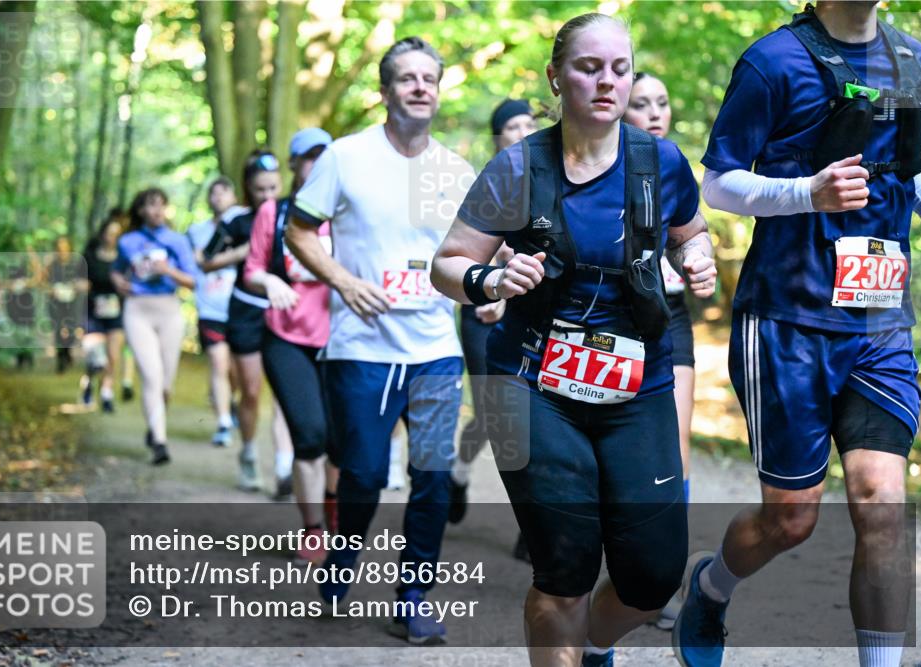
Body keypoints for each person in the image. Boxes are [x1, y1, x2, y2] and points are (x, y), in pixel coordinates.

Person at [431, 13, 717, 667]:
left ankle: (591, 645)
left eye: (620, 68)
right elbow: (445, 264)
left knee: (653, 573)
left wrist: (700, 258)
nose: (607, 81)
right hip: (532, 381)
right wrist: (493, 276)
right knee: (564, 565)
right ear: (556, 77)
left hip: (637, 380)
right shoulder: (518, 166)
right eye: (589, 67)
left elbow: (692, 231)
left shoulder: (659, 160)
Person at [673, 3, 921, 667]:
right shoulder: (773, 62)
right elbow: (720, 183)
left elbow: (911, 161)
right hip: (787, 320)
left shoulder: (915, 60)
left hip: (878, 322)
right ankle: (711, 586)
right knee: (790, 518)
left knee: (882, 506)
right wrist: (807, 194)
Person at [287, 36, 473, 645]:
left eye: (430, 78)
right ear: (385, 91)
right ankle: (342, 563)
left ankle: (413, 596)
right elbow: (298, 229)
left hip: (433, 350)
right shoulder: (346, 156)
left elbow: (475, 254)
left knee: (434, 475)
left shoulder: (456, 170)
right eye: (407, 78)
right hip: (362, 347)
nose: (420, 87)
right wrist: (341, 280)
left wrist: (486, 294)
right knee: (363, 474)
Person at [447, 98, 538, 564]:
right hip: (484, 308)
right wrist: (492, 291)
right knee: (495, 414)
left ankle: (534, 525)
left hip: (534, 314)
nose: (523, 131)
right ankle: (460, 470)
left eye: (529, 123)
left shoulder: (555, 174)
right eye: (511, 126)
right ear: (497, 138)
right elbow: (460, 254)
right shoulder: (486, 182)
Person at [623, 71, 699, 630]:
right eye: (641, 103)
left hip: (670, 316)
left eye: (662, 101)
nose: (655, 112)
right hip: (609, 319)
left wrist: (699, 263)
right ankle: (613, 567)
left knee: (675, 446)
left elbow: (690, 239)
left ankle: (663, 580)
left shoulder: (673, 166)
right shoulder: (594, 165)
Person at [244, 127, 334, 565]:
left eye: (324, 156)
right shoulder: (275, 213)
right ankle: (313, 528)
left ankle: (336, 516)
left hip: (343, 341)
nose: (315, 165)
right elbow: (252, 270)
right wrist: (271, 280)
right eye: (307, 157)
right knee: (310, 434)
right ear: (294, 164)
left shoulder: (350, 211)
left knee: (342, 440)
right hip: (285, 336)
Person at [202, 152, 294, 493]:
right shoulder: (237, 222)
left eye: (273, 188)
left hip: (284, 311)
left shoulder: (293, 215)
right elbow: (205, 261)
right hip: (245, 311)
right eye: (260, 190)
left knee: (287, 392)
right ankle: (250, 454)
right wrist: (243, 253)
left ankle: (285, 467)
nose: (268, 196)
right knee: (252, 393)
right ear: (248, 190)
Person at [111, 188, 198, 465]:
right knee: (151, 375)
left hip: (169, 311)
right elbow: (116, 269)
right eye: (151, 205)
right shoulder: (128, 241)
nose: (158, 210)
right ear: (141, 211)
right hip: (138, 310)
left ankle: (154, 423)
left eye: (162, 205)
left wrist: (167, 270)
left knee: (166, 384)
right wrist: (118, 282)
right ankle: (160, 442)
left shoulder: (177, 240)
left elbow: (194, 281)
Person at [187, 177, 245, 446]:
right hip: (209, 309)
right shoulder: (197, 231)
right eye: (214, 193)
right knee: (219, 364)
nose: (219, 197)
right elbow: (194, 263)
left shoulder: (247, 222)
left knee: (236, 370)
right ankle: (223, 422)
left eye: (224, 192)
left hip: (240, 308)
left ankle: (230, 403)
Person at [81, 210, 128, 412]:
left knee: (113, 356)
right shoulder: (90, 256)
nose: (113, 238)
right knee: (96, 358)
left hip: (117, 313)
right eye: (110, 233)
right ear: (103, 234)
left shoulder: (124, 258)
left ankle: (106, 393)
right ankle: (89, 382)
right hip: (93, 312)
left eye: (117, 235)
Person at [46, 236, 87, 374]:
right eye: (59, 248)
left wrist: (76, 287)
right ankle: (61, 357)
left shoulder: (77, 263)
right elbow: (45, 282)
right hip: (56, 302)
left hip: (72, 302)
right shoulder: (52, 265)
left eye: (65, 247)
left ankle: (67, 351)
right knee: (58, 328)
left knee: (70, 328)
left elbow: (83, 281)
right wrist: (51, 289)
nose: (62, 251)